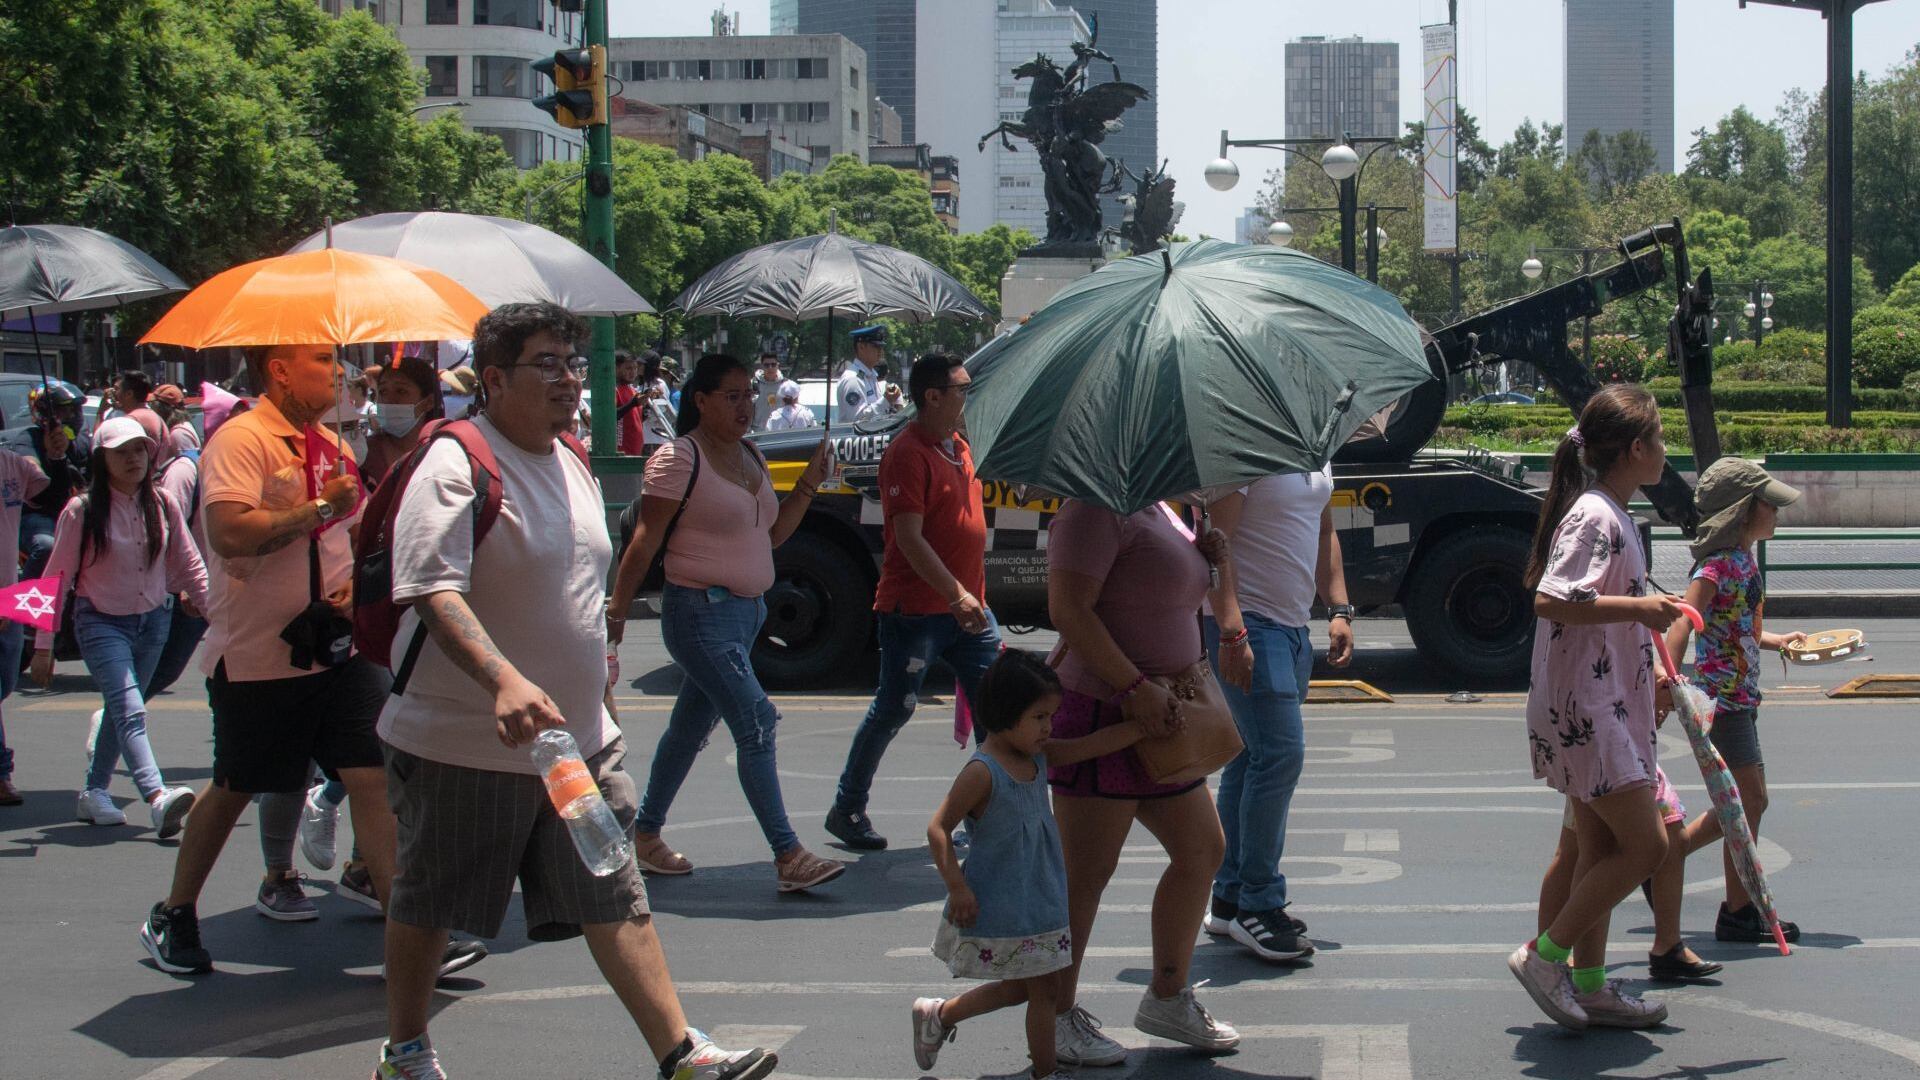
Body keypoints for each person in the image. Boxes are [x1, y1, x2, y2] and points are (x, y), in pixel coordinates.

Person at [372, 302, 776, 1080]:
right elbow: (429, 588)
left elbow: (579, 596)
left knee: (614, 891)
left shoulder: (572, 459)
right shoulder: (454, 462)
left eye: (573, 363)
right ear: (494, 380)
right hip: (466, 744)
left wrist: (600, 704)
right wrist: (502, 680)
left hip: (574, 749)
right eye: (547, 364)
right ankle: (407, 1051)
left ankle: (681, 1053)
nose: (568, 380)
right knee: (429, 904)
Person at [137, 343, 398, 975]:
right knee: (236, 784)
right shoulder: (241, 439)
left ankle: (410, 931)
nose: (337, 372)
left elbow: (353, 535)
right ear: (279, 370)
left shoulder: (332, 446)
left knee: (370, 774)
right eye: (321, 359)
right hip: (260, 654)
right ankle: (174, 912)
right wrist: (322, 506)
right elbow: (229, 532)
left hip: (336, 649)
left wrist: (352, 581)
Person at [606, 353, 844, 893]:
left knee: (689, 729)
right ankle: (788, 854)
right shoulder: (678, 459)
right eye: (732, 396)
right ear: (701, 401)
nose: (745, 406)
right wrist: (616, 611)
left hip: (745, 616)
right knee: (756, 720)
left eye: (749, 395)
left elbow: (773, 536)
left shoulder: (751, 454)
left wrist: (809, 483)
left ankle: (645, 834)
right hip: (698, 615)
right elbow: (644, 541)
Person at [1043, 497, 1241, 1066]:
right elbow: (1068, 609)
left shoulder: (1163, 508)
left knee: (1201, 849)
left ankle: (1168, 997)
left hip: (1164, 716)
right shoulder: (1093, 509)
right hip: (1105, 711)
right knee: (1086, 874)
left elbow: (1157, 594)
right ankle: (1054, 1016)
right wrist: (1132, 687)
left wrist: (1208, 560)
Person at [1511, 383, 1678, 1031]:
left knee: (1597, 847)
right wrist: (1641, 607)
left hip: (1602, 702)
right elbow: (1551, 599)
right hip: (1588, 709)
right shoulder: (1595, 516)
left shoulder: (1611, 512)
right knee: (1648, 845)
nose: (1665, 450)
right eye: (1659, 438)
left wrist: (1649, 653)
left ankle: (1590, 984)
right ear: (1635, 448)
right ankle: (1545, 957)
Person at [914, 649, 1154, 1080]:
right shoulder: (983, 773)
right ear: (1006, 713)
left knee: (1024, 990)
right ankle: (1045, 1072)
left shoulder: (1035, 757)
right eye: (1039, 717)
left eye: (1051, 716)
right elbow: (938, 828)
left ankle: (941, 1015)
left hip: (1041, 898)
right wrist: (957, 887)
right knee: (1042, 991)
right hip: (1007, 902)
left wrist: (1139, 728)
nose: (1049, 727)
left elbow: (1085, 747)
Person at [826, 354, 995, 851]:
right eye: (962, 389)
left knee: (996, 713)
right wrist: (955, 594)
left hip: (971, 610)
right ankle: (847, 807)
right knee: (894, 708)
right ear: (932, 397)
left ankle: (986, 820)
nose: (969, 397)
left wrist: (966, 597)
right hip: (918, 612)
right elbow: (909, 538)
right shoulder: (907, 452)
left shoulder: (958, 446)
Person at [1199, 467, 1354, 962]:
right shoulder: (1245, 448)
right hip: (1250, 625)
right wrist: (1231, 629)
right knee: (1280, 756)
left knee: (1250, 757)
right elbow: (1214, 544)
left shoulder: (1316, 451)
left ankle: (1230, 897)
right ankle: (1259, 904)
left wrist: (1339, 609)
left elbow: (1324, 531)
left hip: (1291, 628)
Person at [31, 416, 206, 836]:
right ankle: (157, 795)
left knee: (122, 706)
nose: (133, 459)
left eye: (140, 449)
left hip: (155, 621)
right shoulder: (82, 510)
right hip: (100, 622)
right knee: (130, 708)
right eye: (121, 452)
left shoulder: (163, 502)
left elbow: (190, 566)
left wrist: (221, 625)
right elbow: (55, 579)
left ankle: (94, 792)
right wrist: (42, 646)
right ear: (102, 460)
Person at [1661, 456, 1806, 946]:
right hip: (1721, 700)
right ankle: (1682, 862)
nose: (1776, 513)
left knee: (1744, 801)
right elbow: (1685, 621)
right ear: (1743, 511)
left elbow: (1737, 626)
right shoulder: (1717, 566)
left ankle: (1732, 905)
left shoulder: (1743, 560)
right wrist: (1667, 678)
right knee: (1749, 799)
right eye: (1769, 504)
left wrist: (1777, 640)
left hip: (1741, 697)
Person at [0, 440, 51, 806]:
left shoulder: (15, 464)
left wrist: (56, 454)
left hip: (10, 592)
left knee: (6, 683)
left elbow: (54, 496)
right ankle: (2, 773)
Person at [13, 384, 91, 582]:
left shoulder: (82, 441)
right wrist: (54, 457)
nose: (72, 415)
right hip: (41, 514)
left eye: (75, 409)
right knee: (46, 546)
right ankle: (27, 594)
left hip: (82, 512)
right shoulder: (28, 439)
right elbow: (35, 480)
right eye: (64, 410)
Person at [361, 356, 445, 488]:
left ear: (429, 402)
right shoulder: (363, 453)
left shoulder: (445, 452)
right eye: (383, 391)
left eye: (401, 391)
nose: (389, 400)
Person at [837, 326, 902, 422]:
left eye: (881, 347)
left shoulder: (870, 376)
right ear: (861, 347)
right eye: (876, 346)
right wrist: (886, 400)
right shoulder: (853, 379)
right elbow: (858, 420)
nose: (880, 351)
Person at [613, 351, 648, 456]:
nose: (633, 372)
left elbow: (634, 419)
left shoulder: (632, 390)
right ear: (616, 368)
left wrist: (645, 410)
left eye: (635, 368)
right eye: (628, 368)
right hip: (622, 451)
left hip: (636, 449)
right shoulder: (615, 390)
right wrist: (633, 404)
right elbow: (612, 416)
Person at [151, 384, 201, 455]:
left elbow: (189, 460)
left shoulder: (179, 433)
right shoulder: (177, 429)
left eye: (154, 406)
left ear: (163, 408)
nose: (152, 411)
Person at [751, 351, 784, 429]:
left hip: (780, 430)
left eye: (773, 364)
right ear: (762, 366)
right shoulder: (753, 384)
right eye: (766, 365)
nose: (770, 368)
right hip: (758, 431)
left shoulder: (785, 385)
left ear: (778, 365)